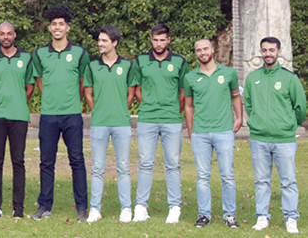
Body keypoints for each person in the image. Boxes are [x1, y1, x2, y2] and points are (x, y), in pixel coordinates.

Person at [31, 4, 89, 221]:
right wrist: (51, 99)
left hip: (72, 115)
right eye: (54, 24)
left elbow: (83, 82)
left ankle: (81, 207)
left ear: (68, 28)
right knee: (46, 162)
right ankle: (44, 206)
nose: (57, 27)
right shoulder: (40, 53)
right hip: (48, 115)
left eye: (61, 24)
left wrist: (73, 100)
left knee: (77, 161)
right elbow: (40, 81)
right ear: (49, 28)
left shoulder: (79, 53)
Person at [244, 36, 307, 234]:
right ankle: (262, 217)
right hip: (259, 139)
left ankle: (291, 218)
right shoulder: (252, 78)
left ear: (279, 52)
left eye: (272, 50)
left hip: (284, 140)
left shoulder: (290, 78)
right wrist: (257, 121)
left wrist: (290, 125)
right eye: (264, 50)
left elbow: (300, 107)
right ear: (260, 52)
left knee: (288, 181)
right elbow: (249, 104)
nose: (268, 54)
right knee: (261, 181)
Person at [132, 23, 188, 223]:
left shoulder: (179, 62)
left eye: (162, 40)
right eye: (155, 40)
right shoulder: (141, 61)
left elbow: (184, 91)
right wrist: (147, 105)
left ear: (168, 40)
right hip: (147, 119)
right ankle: (140, 207)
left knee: (172, 164)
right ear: (151, 40)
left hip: (171, 120)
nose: (158, 44)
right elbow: (137, 89)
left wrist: (174, 110)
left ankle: (174, 207)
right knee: (145, 163)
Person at [183, 38, 242, 228]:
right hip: (200, 133)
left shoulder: (229, 73)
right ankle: (204, 215)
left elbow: (235, 96)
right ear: (196, 53)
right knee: (202, 176)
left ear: (213, 49)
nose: (202, 53)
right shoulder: (190, 77)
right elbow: (189, 106)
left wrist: (239, 118)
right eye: (198, 50)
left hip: (224, 131)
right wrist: (191, 130)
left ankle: (229, 215)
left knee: (227, 176)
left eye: (205, 49)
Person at [83, 26, 136, 223]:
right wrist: (98, 110)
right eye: (99, 40)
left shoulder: (128, 66)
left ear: (115, 43)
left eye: (104, 40)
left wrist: (120, 109)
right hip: (99, 123)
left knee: (123, 167)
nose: (100, 44)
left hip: (121, 123)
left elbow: (131, 94)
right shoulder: (92, 66)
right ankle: (95, 209)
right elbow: (88, 94)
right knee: (97, 168)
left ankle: (126, 209)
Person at [0, 21, 34, 219]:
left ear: (14, 35)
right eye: (2, 33)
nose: (6, 37)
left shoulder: (26, 58)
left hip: (19, 116)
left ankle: (18, 208)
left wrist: (18, 101)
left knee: (18, 161)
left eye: (9, 33)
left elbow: (29, 86)